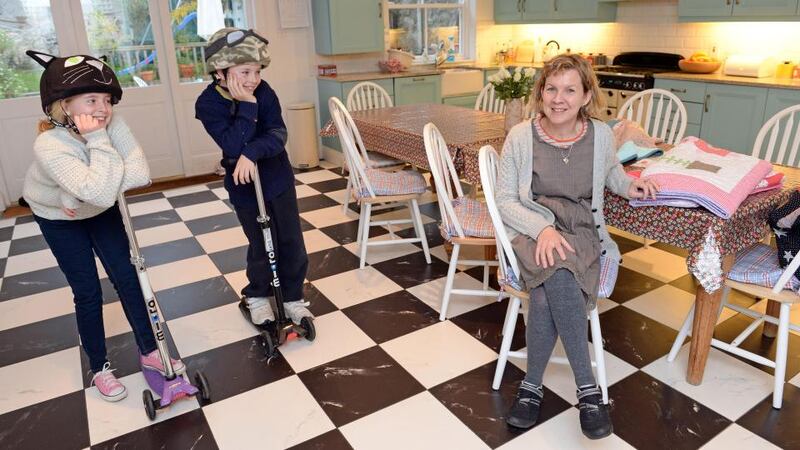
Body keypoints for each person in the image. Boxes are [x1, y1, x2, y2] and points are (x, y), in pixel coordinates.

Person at [496, 54, 659, 439]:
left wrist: (628, 185)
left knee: (547, 290)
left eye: (570, 89)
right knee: (558, 271)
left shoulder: (601, 134)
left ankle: (530, 388)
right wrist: (542, 229)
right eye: (551, 88)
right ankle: (589, 391)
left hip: (583, 230)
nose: (558, 98)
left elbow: (610, 173)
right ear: (540, 92)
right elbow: (505, 200)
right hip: (532, 229)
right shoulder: (521, 135)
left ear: (586, 95)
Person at [22, 51, 184, 402]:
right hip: (58, 218)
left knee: (127, 277)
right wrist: (97, 146)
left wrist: (82, 191)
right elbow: (100, 188)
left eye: (107, 100)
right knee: (88, 292)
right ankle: (99, 367)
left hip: (97, 209)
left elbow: (139, 174)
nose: (103, 109)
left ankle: (149, 349)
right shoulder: (48, 144)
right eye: (91, 99)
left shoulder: (115, 123)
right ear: (64, 105)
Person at [195, 28, 311, 326]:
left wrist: (252, 153)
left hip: (277, 177)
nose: (253, 79)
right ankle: (257, 295)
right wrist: (246, 104)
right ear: (219, 71)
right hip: (244, 185)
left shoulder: (266, 91)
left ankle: (293, 296)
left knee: (290, 240)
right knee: (260, 241)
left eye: (257, 71)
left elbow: (278, 134)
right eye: (244, 71)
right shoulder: (208, 104)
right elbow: (232, 143)